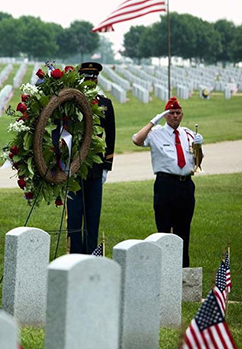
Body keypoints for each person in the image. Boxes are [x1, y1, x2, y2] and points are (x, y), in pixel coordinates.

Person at [132, 97, 203, 267]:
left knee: (184, 231)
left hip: (186, 185)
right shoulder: (156, 133)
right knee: (164, 229)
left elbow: (198, 163)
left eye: (178, 113)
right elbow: (136, 140)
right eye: (171, 113)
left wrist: (199, 147)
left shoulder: (188, 134)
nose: (175, 116)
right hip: (165, 185)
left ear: (182, 115)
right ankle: (164, 269)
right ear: (165, 115)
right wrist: (152, 121)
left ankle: (183, 270)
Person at [67, 62, 115, 254]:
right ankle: (75, 254)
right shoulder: (70, 102)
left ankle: (90, 255)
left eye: (93, 78)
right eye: (86, 78)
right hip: (74, 168)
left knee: (93, 217)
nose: (90, 81)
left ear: (97, 79)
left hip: (95, 169)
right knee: (75, 215)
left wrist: (106, 166)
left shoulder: (105, 104)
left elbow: (110, 135)